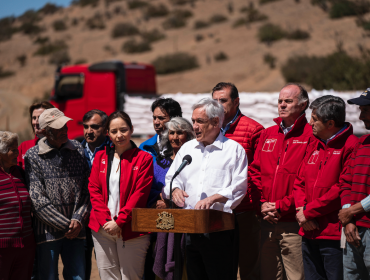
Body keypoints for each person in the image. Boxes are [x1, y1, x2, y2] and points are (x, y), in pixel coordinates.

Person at [163, 98, 248, 280]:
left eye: (199, 121)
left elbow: (240, 188)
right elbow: (171, 178)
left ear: (216, 122)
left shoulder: (233, 150)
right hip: (190, 229)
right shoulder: (187, 149)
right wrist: (175, 190)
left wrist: (213, 199)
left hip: (219, 230)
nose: (194, 126)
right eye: (193, 121)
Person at [248, 83, 312, 280]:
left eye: (288, 101)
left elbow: (307, 182)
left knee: (296, 276)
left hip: (293, 223)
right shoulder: (268, 134)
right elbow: (255, 171)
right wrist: (262, 205)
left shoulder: (311, 135)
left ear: (302, 105)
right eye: (280, 101)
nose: (282, 105)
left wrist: (281, 206)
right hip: (267, 220)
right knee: (269, 275)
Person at [293, 96, 358, 280]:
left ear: (330, 123)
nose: (310, 123)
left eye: (314, 118)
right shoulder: (314, 143)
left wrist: (309, 211)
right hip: (307, 229)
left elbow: (342, 188)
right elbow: (299, 181)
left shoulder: (351, 145)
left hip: (332, 234)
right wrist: (302, 211)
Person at [24, 108, 90, 280]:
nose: (64, 130)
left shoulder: (78, 149)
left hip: (76, 230)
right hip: (48, 233)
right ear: (45, 131)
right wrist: (68, 225)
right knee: (48, 277)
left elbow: (86, 189)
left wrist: (78, 219)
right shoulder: (32, 155)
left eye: (64, 126)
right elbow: (37, 199)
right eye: (58, 128)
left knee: (78, 277)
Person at [88, 111, 153, 280]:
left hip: (131, 229)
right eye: (114, 131)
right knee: (108, 277)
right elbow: (93, 189)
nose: (119, 135)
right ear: (107, 133)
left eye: (123, 130)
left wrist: (119, 222)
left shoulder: (144, 159)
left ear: (131, 129)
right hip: (102, 229)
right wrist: (105, 221)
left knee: (130, 277)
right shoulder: (100, 157)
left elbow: (140, 194)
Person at [212, 82, 264, 280]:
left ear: (236, 102)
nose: (218, 105)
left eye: (223, 100)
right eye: (214, 101)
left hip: (245, 210)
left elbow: (258, 172)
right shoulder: (209, 129)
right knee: (220, 266)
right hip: (216, 209)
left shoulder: (253, 130)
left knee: (248, 265)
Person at [150, 117, 195, 280]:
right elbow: (151, 188)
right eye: (172, 133)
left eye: (180, 133)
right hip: (164, 221)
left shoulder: (195, 160)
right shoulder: (159, 162)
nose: (175, 137)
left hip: (189, 222)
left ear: (188, 135)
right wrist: (158, 198)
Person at [338, 88, 370, 279]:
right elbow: (346, 181)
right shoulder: (362, 142)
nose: (360, 116)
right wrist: (348, 219)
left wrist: (352, 211)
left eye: (365, 110)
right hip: (353, 229)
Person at [0, 131, 36, 280]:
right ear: (1, 153)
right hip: (2, 249)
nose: (17, 152)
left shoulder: (20, 173)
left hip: (26, 247)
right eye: (13, 149)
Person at [81, 109, 111, 280]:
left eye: (94, 127)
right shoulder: (76, 150)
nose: (88, 131)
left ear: (105, 128)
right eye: (86, 127)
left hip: (107, 219)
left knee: (108, 269)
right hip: (83, 220)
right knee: (80, 270)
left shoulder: (115, 149)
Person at [139, 98, 182, 162]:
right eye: (154, 118)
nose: (156, 122)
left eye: (161, 118)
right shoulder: (144, 147)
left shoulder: (185, 146)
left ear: (175, 120)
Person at [18, 101, 54, 169]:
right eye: (34, 118)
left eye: (40, 118)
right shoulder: (23, 147)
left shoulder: (59, 145)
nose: (36, 122)